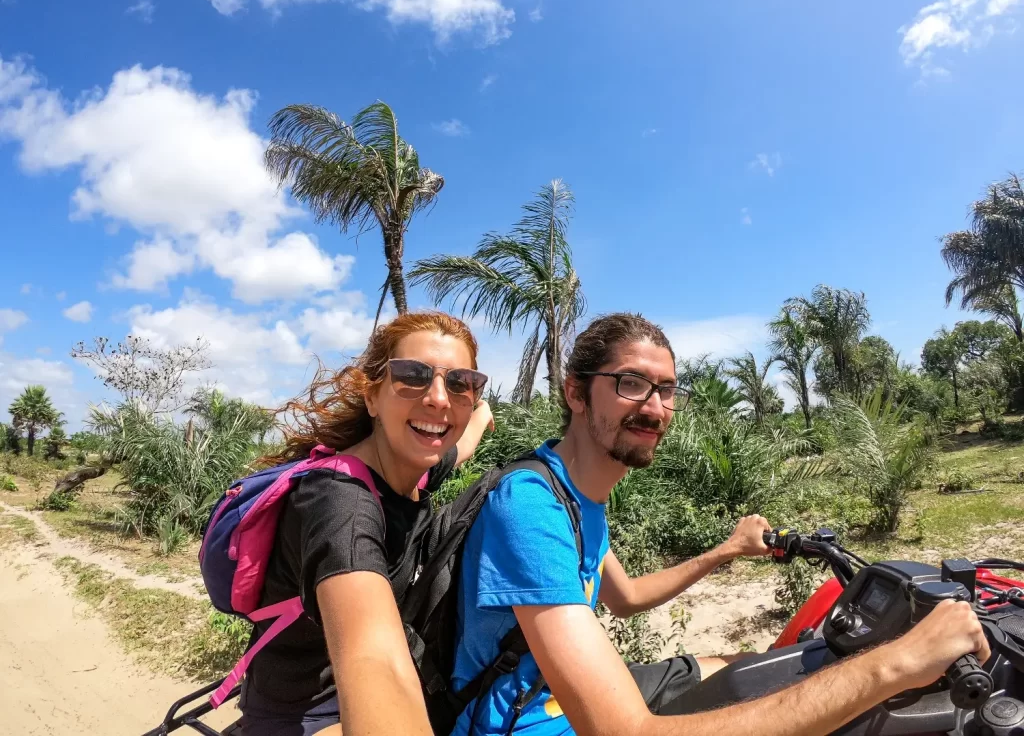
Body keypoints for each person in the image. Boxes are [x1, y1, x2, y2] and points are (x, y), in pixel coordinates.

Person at [450, 312, 990, 736]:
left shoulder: (578, 495)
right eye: (632, 383)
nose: (656, 408)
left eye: (667, 391)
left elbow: (627, 598)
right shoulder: (531, 508)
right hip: (527, 725)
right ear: (575, 392)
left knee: (752, 664)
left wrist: (726, 550)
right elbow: (619, 732)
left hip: (556, 698)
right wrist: (899, 663)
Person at [236, 311, 495, 736]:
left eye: (460, 383)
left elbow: (459, 445)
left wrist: (480, 414)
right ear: (372, 396)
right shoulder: (340, 503)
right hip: (307, 714)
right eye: (412, 375)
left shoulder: (411, 465)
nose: (438, 398)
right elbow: (375, 662)